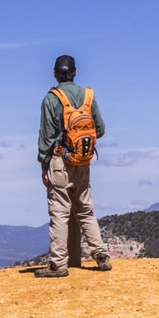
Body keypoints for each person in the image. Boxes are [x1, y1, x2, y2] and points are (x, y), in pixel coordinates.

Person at [38, 54, 110, 275]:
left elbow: (47, 137)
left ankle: (58, 264)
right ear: (75, 73)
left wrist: (44, 165)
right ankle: (101, 255)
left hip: (60, 160)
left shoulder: (52, 98)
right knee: (85, 210)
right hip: (83, 160)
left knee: (60, 211)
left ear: (55, 73)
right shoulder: (88, 96)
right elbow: (100, 129)